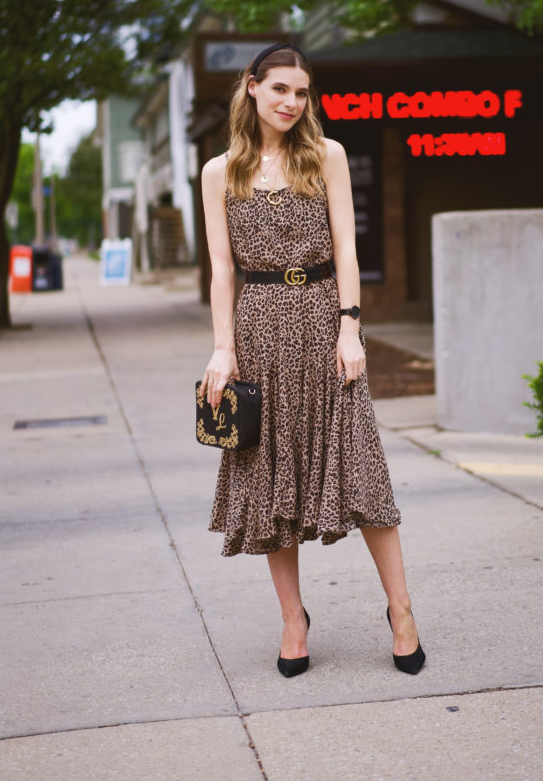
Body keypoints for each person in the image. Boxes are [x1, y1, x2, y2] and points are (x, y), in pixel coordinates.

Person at [200, 42, 425, 677]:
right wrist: (223, 348)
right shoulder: (222, 171)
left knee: (363, 470)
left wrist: (350, 329)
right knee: (270, 476)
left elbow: (349, 250)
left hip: (325, 317)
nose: (292, 103)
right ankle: (293, 619)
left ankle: (401, 609)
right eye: (280, 90)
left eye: (301, 93)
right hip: (260, 328)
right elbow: (222, 270)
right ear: (252, 87)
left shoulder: (327, 155)